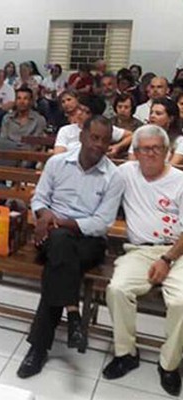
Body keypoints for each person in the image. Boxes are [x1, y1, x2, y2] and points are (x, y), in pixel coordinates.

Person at [17, 115, 125, 379]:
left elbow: (101, 223)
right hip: (52, 235)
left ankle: (39, 348)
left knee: (60, 258)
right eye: (94, 137)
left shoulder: (114, 176)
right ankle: (73, 316)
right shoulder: (57, 163)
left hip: (89, 242)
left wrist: (57, 221)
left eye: (105, 140)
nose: (99, 145)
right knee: (62, 250)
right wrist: (43, 215)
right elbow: (40, 198)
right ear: (82, 136)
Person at [102, 125, 183, 396]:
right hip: (138, 251)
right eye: (144, 149)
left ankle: (169, 365)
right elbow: (96, 179)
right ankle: (126, 353)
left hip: (177, 252)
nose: (150, 154)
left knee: (181, 302)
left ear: (167, 151)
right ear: (134, 153)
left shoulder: (180, 181)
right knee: (117, 290)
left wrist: (166, 259)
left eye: (156, 148)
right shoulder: (126, 172)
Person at [54, 95, 132, 157]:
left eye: (85, 111)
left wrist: (118, 147)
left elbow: (132, 135)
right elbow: (58, 156)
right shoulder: (65, 130)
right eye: (79, 109)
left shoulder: (104, 129)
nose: (79, 113)